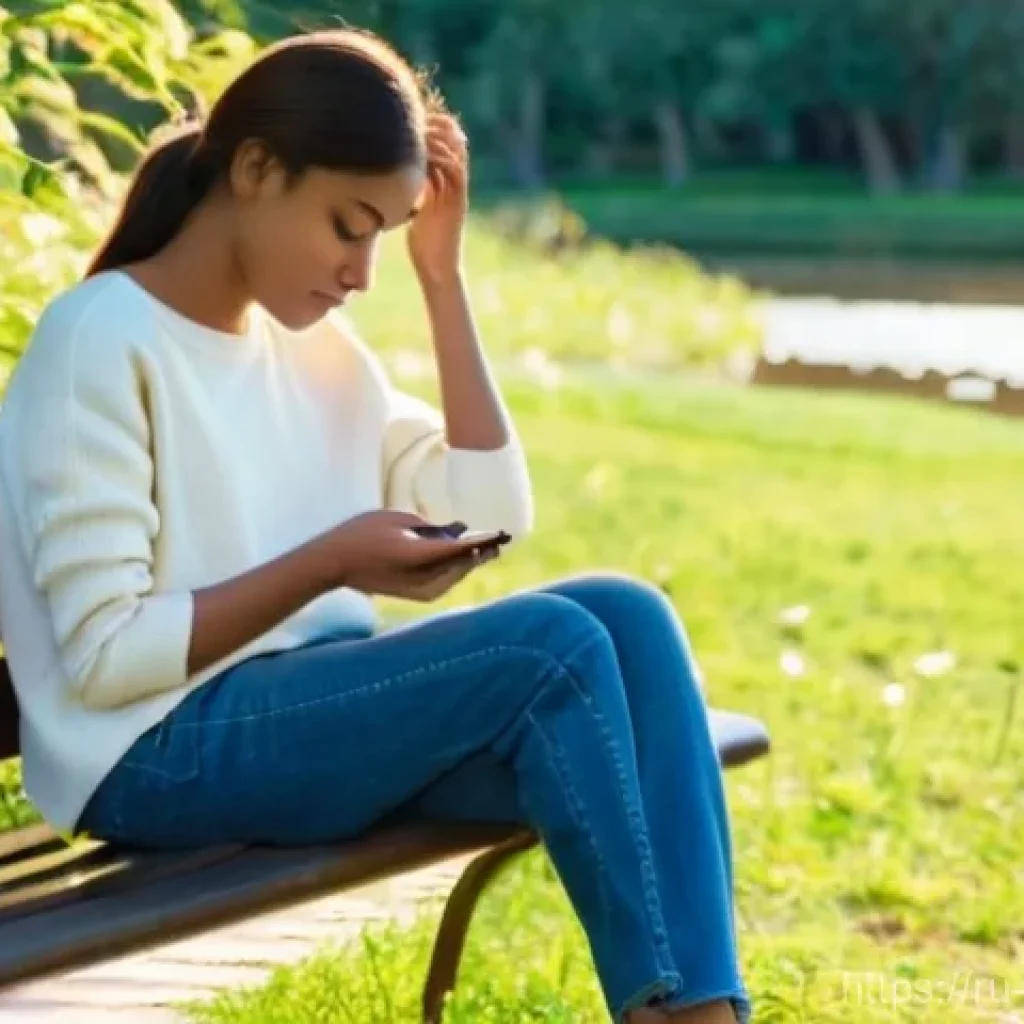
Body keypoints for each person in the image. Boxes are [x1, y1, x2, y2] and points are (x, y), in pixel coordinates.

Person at [0, 28, 750, 1024]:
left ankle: (698, 1011)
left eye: (385, 240)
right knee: (557, 649)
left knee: (625, 617)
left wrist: (444, 282)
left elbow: (487, 514)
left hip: (296, 726)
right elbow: (102, 656)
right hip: (149, 754)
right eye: (349, 225)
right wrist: (329, 562)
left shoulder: (318, 354)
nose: (362, 271)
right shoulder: (102, 339)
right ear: (257, 169)